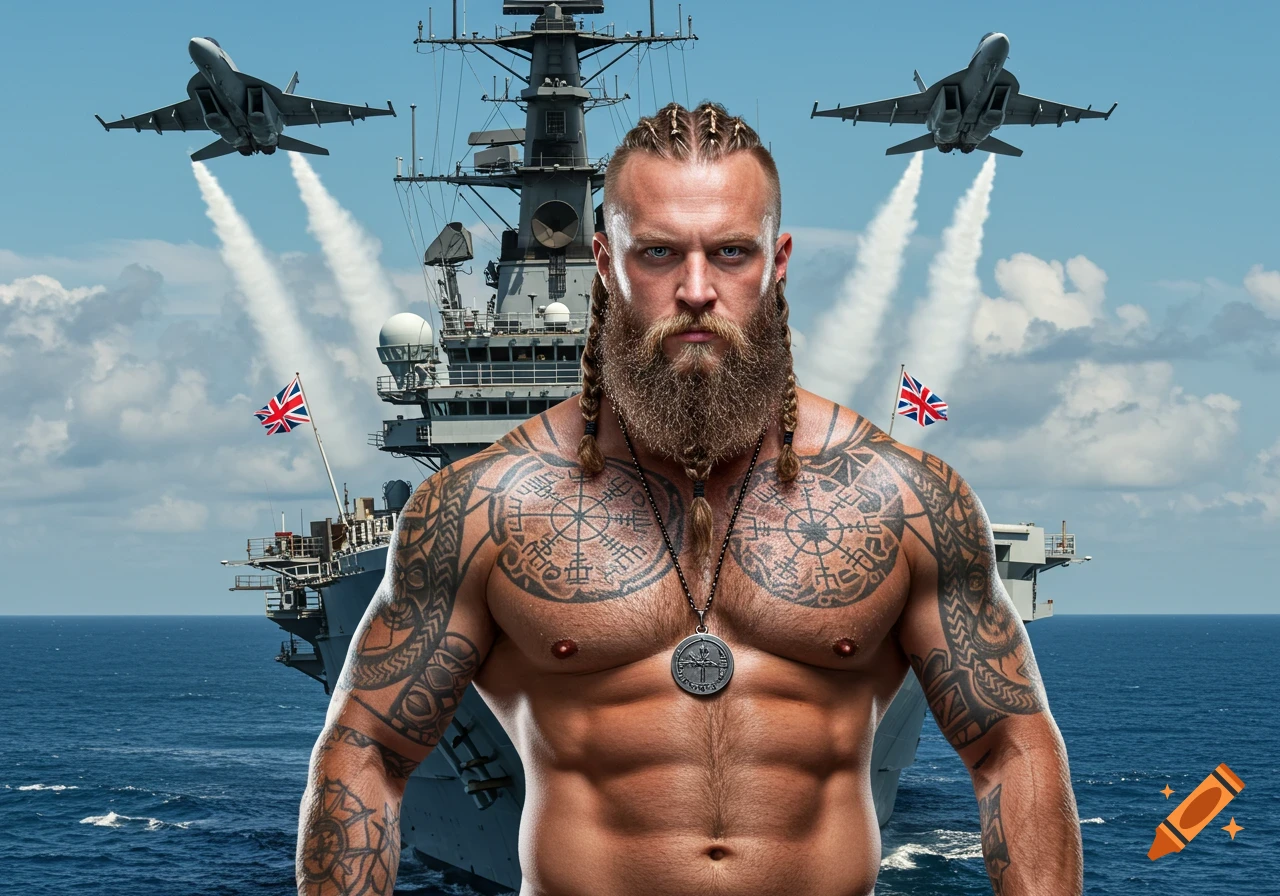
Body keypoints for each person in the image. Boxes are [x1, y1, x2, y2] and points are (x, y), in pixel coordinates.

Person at [296, 101, 1083, 896]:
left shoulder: (903, 500)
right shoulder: (481, 507)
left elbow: (1012, 746)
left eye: (732, 253)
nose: (697, 289)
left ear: (778, 261)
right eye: (660, 253)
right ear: (605, 262)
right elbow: (366, 748)